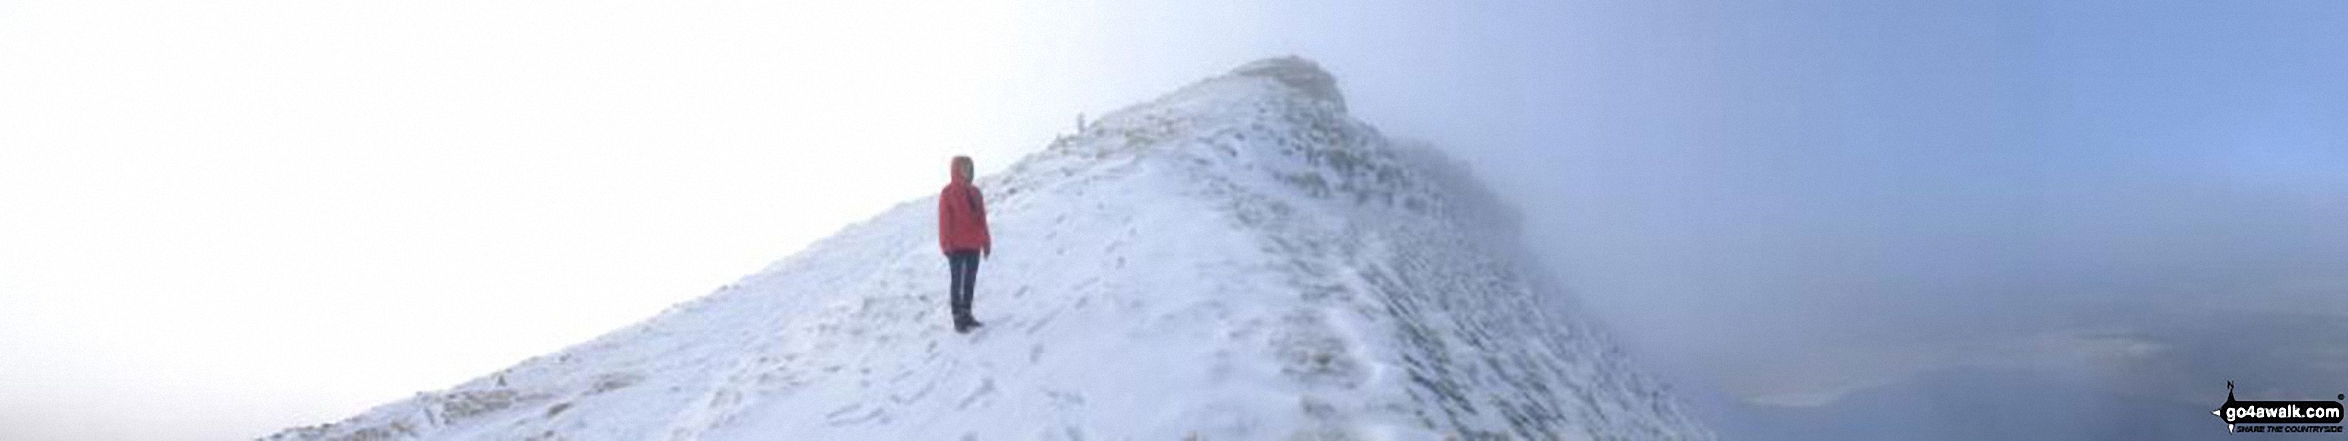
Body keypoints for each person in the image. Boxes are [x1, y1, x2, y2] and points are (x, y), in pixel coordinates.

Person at [938, 156, 992, 333]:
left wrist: (986, 241)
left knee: (969, 281)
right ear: (956, 169)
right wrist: (946, 245)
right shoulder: (947, 193)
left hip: (973, 244)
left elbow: (982, 219)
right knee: (957, 282)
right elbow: (944, 221)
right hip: (956, 246)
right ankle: (957, 317)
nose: (967, 171)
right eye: (963, 168)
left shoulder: (975, 192)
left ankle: (967, 313)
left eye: (969, 168)